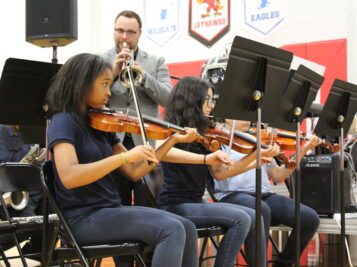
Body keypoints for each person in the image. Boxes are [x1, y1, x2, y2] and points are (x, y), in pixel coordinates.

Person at [45, 53, 206, 267]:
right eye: (104, 84)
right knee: (171, 229)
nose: (109, 92)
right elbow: (69, 176)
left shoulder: (99, 122)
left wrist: (171, 141)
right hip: (80, 219)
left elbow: (134, 171)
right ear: (82, 84)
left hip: (109, 211)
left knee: (186, 226)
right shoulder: (63, 121)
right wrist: (122, 157)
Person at [155, 76, 281, 267]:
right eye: (208, 99)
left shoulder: (205, 132)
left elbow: (221, 173)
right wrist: (204, 158)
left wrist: (254, 158)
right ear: (193, 99)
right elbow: (162, 153)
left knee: (253, 215)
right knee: (241, 219)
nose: (212, 106)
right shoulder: (168, 130)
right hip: (174, 205)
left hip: (195, 202)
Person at [214, 119, 322, 267]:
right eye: (241, 115)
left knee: (309, 219)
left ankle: (283, 264)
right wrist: (254, 158)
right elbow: (220, 173)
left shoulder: (257, 140)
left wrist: (303, 149)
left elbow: (278, 175)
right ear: (227, 116)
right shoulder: (218, 141)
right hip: (232, 195)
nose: (247, 120)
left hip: (264, 195)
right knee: (261, 208)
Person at [101, 10, 173, 205]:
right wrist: (113, 74)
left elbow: (168, 98)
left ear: (139, 33)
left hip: (146, 142)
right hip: (113, 143)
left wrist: (144, 77)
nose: (124, 37)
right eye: (120, 31)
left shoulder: (156, 62)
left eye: (130, 32)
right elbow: (89, 98)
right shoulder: (99, 61)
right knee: (116, 206)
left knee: (148, 205)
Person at [0, 125, 44, 259]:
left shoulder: (36, 136)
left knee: (48, 220)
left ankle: (34, 256)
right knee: (25, 226)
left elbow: (40, 171)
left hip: (25, 195)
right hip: (4, 194)